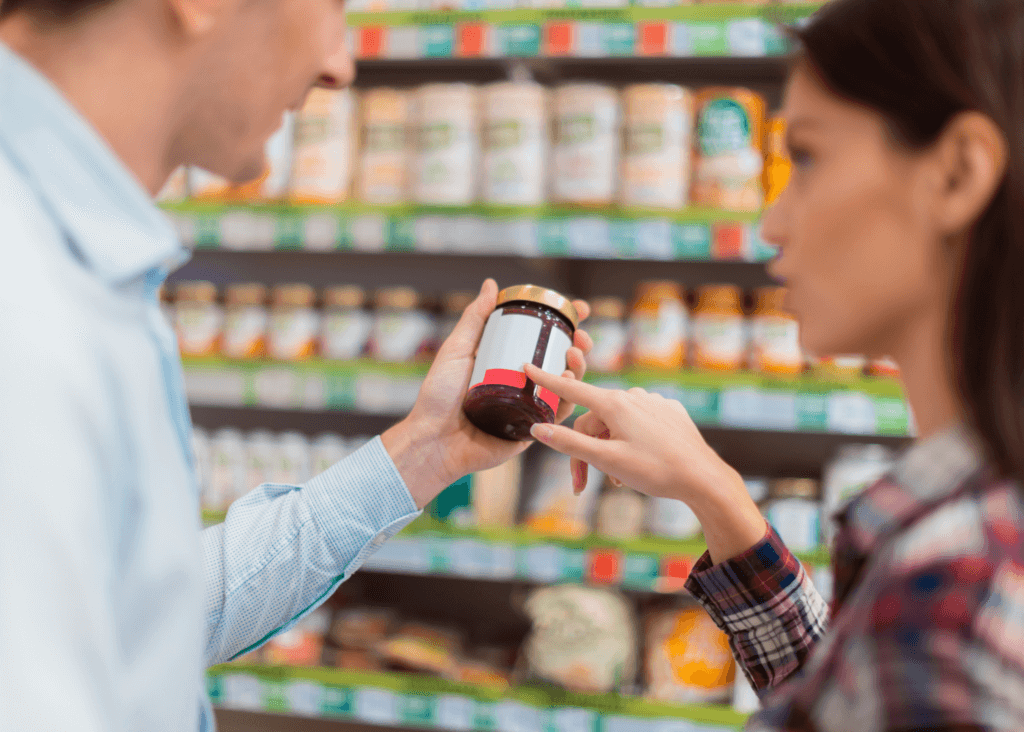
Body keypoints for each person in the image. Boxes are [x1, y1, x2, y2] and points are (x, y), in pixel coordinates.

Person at [0, 1, 592, 729]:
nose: (338, 66)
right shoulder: (22, 286)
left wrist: (426, 451)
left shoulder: (71, 254)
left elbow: (136, 622)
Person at [526, 0, 1024, 730]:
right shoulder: (962, 547)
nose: (771, 221)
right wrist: (714, 493)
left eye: (810, 157)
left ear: (955, 173)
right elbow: (849, 696)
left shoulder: (956, 591)